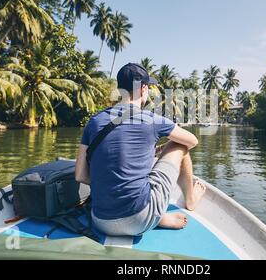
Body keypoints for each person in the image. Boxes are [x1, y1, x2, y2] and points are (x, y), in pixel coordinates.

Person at [75, 63, 206, 236]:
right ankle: (189, 200)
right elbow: (192, 141)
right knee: (180, 145)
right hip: (138, 218)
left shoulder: (95, 121)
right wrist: (165, 146)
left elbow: (80, 175)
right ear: (143, 89)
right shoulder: (151, 119)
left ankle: (155, 215)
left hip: (100, 220)